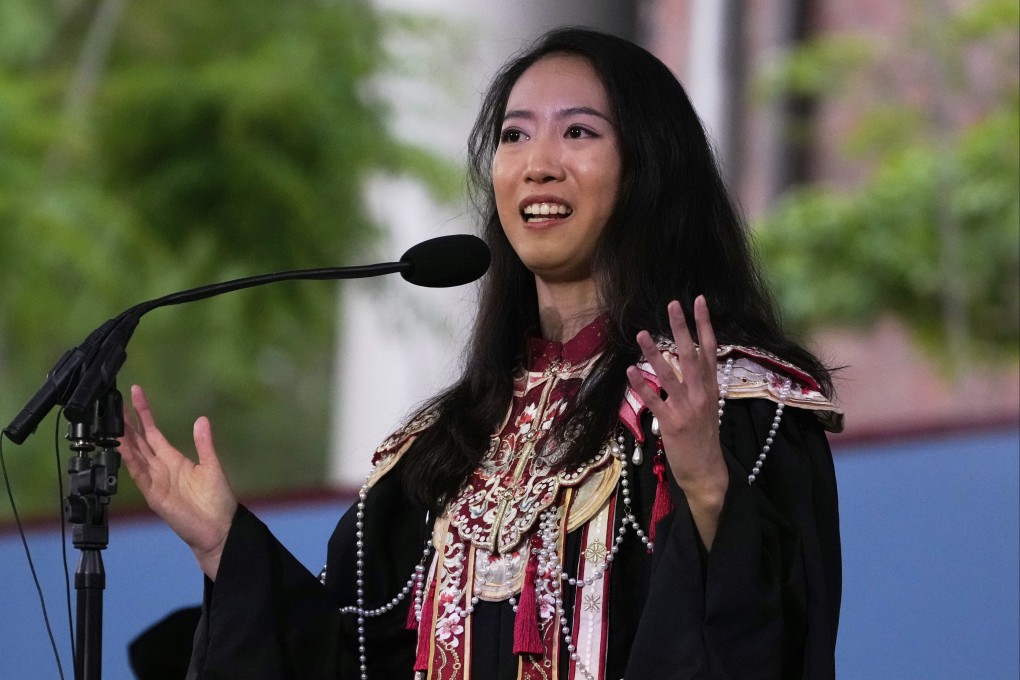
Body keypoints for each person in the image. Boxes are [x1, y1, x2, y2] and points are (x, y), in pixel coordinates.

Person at [120, 27, 842, 680]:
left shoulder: (734, 404)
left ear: (649, 167)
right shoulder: (440, 450)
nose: (538, 165)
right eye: (515, 136)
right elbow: (345, 660)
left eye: (579, 133)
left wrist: (707, 489)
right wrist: (226, 545)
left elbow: (767, 642)